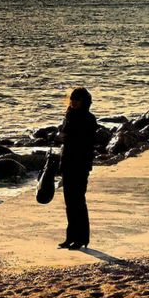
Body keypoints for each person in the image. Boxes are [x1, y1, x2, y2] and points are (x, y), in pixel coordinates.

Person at [57, 87, 98, 250]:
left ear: (84, 101)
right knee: (69, 202)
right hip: (67, 162)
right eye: (72, 99)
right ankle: (70, 237)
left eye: (77, 99)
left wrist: (67, 137)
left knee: (78, 201)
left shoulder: (89, 118)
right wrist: (60, 137)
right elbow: (64, 135)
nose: (73, 102)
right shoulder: (69, 115)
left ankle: (82, 239)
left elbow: (86, 141)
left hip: (80, 164)